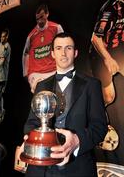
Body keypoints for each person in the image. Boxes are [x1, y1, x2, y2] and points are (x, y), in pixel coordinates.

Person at [18, 32, 107, 177]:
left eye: (69, 48)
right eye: (58, 48)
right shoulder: (41, 86)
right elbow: (31, 123)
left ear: (76, 52)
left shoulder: (92, 85)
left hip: (77, 168)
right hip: (40, 170)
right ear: (52, 53)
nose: (63, 53)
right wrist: (30, 140)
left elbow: (99, 127)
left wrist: (76, 141)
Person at [89, 0, 124, 106]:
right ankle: (95, 116)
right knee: (109, 97)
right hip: (101, 52)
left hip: (117, 49)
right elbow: (95, 38)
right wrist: (108, 59)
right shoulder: (109, 8)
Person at [22, 4, 64, 93]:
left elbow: (63, 45)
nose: (39, 21)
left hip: (54, 70)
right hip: (36, 73)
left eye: (41, 17)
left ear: (47, 14)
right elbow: (26, 53)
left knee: (58, 98)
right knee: (41, 98)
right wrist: (25, 73)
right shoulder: (31, 35)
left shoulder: (56, 28)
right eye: (37, 19)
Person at [0, 29, 11, 123]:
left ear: (7, 37)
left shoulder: (7, 47)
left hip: (2, 76)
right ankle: (1, 111)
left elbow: (0, 64)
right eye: (1, 36)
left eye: (4, 36)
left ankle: (1, 112)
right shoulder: (1, 44)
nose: (2, 38)